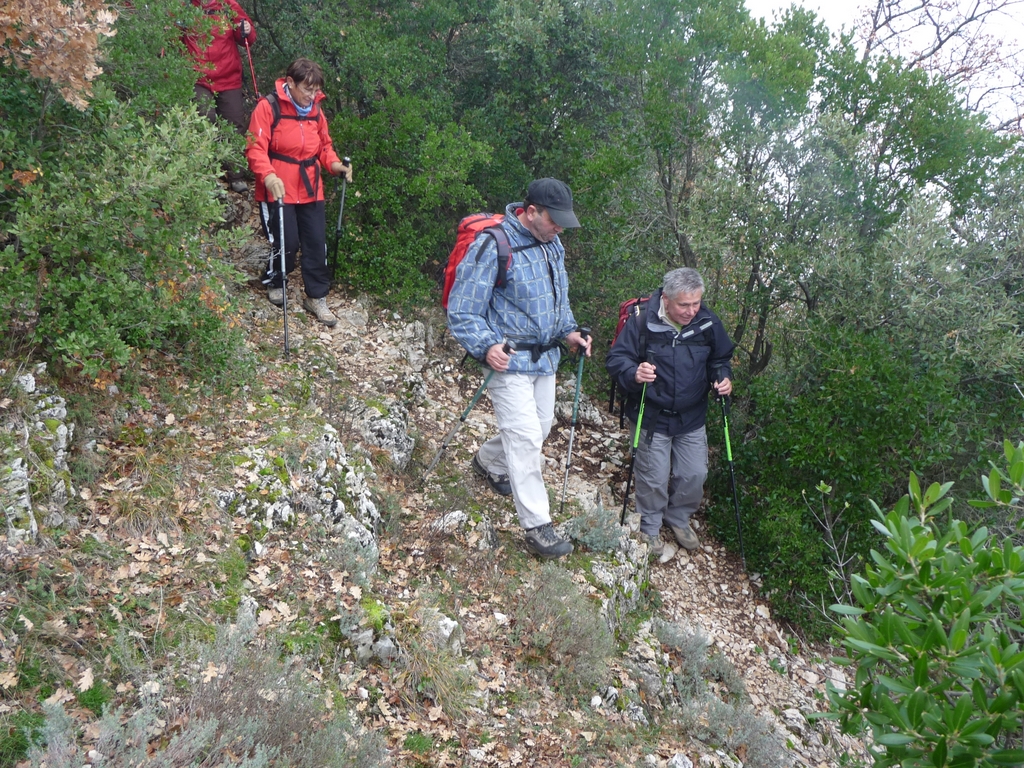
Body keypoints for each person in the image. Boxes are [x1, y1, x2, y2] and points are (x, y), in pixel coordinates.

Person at [447, 178, 592, 560]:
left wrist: (570, 332)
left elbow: (557, 299)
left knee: (540, 427)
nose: (560, 228)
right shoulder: (493, 245)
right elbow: (462, 310)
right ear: (530, 212)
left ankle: (487, 462)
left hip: (545, 358)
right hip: (508, 360)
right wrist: (486, 345)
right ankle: (537, 527)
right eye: (554, 220)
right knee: (527, 437)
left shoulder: (553, 245)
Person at [606, 267, 734, 557]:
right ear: (666, 299)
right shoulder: (641, 321)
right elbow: (616, 359)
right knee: (653, 475)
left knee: (694, 474)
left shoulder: (708, 322)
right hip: (651, 413)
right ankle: (650, 525)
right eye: (684, 305)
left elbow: (721, 357)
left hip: (691, 415)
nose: (691, 311)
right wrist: (634, 372)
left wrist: (722, 377)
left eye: (696, 303)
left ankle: (678, 517)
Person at [245, 58, 353, 327]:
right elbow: (255, 148)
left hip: (310, 186)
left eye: (316, 91)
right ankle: (276, 279)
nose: (312, 96)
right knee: (286, 241)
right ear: (290, 83)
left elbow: (324, 147)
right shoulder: (268, 107)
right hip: (278, 186)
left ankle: (316, 297)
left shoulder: (315, 110)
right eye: (308, 89)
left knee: (317, 242)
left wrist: (336, 165)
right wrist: (268, 176)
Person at [183, 0, 257, 193]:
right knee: (204, 118)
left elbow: (247, 37)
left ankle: (235, 175)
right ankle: (204, 174)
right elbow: (172, 39)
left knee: (234, 124)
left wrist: (246, 30)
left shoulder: (228, 5)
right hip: (196, 75)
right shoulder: (185, 7)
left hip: (228, 76)